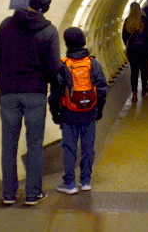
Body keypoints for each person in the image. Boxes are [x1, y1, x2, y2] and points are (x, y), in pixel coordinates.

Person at [0, 0, 61, 206]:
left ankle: (8, 194)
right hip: (35, 93)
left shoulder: (6, 24)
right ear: (46, 7)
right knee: (35, 143)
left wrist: (8, 72)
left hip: (8, 92)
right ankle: (33, 194)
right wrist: (44, 80)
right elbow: (54, 66)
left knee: (8, 144)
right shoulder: (49, 31)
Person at [49, 27, 108, 195]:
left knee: (69, 148)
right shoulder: (93, 63)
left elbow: (55, 94)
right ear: (83, 41)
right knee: (88, 147)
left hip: (69, 113)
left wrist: (56, 114)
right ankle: (85, 180)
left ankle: (69, 184)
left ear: (67, 43)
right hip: (89, 112)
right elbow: (102, 89)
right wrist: (99, 110)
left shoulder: (62, 65)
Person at [122, 2, 148, 101]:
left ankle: (134, 94)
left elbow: (124, 37)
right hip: (144, 49)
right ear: (139, 9)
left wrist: (128, 47)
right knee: (144, 70)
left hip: (132, 50)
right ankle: (144, 89)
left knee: (134, 71)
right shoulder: (145, 20)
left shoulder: (127, 21)